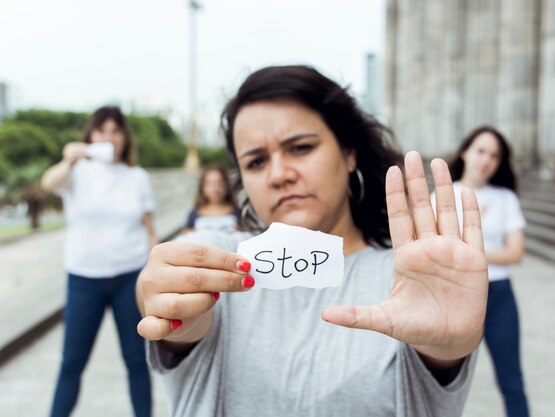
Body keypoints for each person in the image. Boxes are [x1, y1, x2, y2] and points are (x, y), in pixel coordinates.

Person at [136, 66, 489, 417]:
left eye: (300, 148)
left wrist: (449, 347)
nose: (279, 174)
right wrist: (170, 303)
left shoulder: (410, 275)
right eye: (257, 161)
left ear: (349, 152)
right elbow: (171, 295)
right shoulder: (224, 262)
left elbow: (439, 355)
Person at [41, 106, 155, 417]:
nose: (109, 137)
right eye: (102, 130)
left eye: (115, 130)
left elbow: (150, 229)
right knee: (72, 361)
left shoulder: (137, 177)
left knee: (136, 360)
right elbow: (48, 184)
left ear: (124, 137)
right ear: (91, 135)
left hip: (129, 276)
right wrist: (69, 159)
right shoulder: (77, 172)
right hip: (84, 278)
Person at [445, 126, 530, 417]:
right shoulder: (442, 196)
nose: (486, 160)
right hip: (456, 295)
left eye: (495, 155)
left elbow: (515, 253)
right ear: (465, 151)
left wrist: (467, 251)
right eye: (481, 151)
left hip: (499, 295)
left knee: (511, 379)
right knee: (444, 381)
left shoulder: (505, 198)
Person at [182, 164, 238, 234]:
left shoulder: (239, 213)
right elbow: (185, 235)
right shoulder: (193, 215)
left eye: (220, 182)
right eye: (210, 183)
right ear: (202, 187)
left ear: (227, 185)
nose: (215, 187)